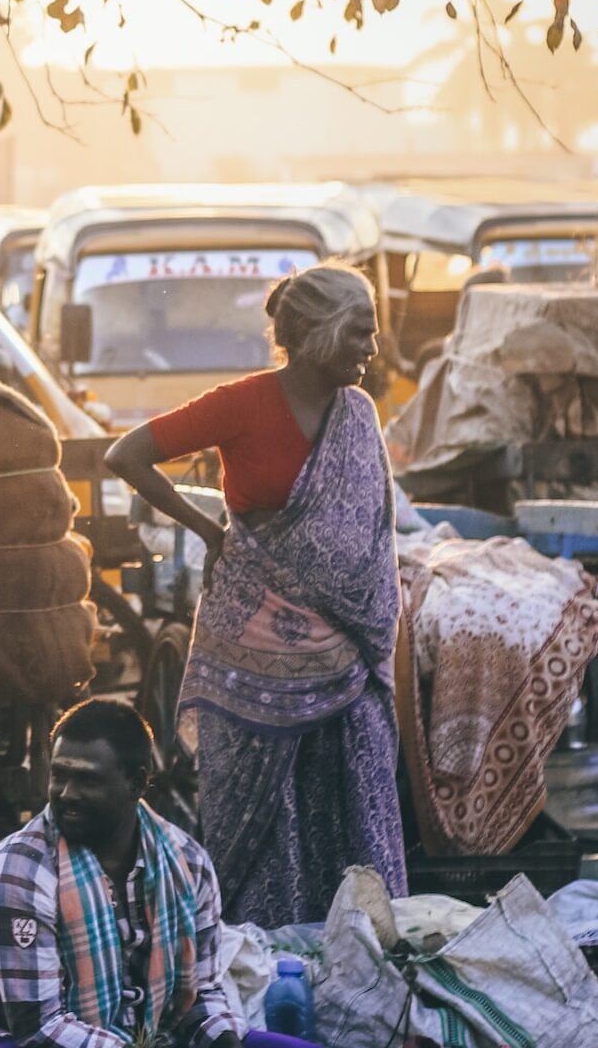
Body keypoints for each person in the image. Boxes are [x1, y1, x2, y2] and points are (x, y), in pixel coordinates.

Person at [103, 264, 406, 928]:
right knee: (261, 818)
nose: (372, 348)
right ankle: (264, 951)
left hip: (346, 651)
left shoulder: (358, 414)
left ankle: (359, 943)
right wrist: (208, 529)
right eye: (360, 331)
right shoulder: (241, 404)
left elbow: (370, 535)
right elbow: (126, 455)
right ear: (318, 331)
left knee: (351, 802)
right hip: (252, 645)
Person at [0, 698, 325, 1048]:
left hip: (140, 1037)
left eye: (88, 780)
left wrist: (224, 1039)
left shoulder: (188, 863)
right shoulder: (18, 873)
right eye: (59, 775)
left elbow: (200, 995)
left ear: (137, 782)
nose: (66, 793)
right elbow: (40, 1030)